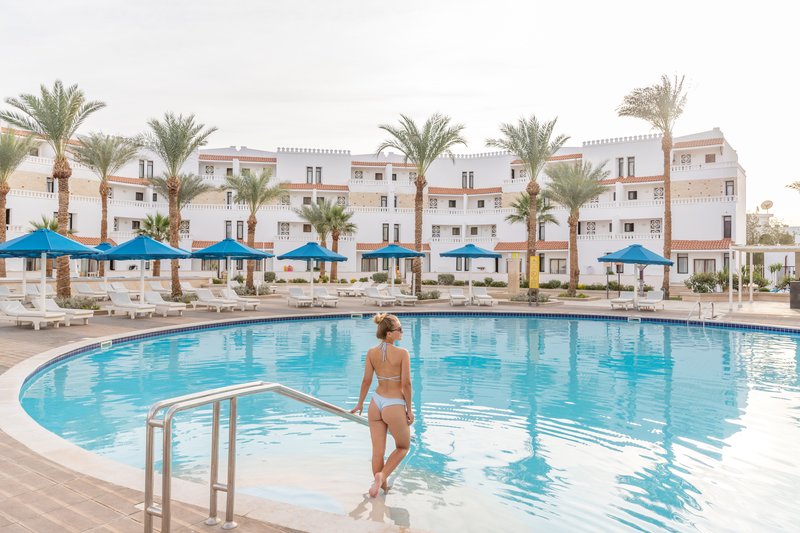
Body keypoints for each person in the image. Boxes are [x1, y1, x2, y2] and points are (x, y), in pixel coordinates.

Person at [351, 313, 413, 498]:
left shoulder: (371, 353)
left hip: (376, 403)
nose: (402, 331)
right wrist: (409, 410)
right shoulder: (402, 353)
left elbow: (366, 381)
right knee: (403, 447)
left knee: (377, 453)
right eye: (399, 329)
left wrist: (360, 403)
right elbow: (406, 384)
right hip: (394, 404)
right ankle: (382, 476)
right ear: (389, 334)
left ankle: (381, 490)